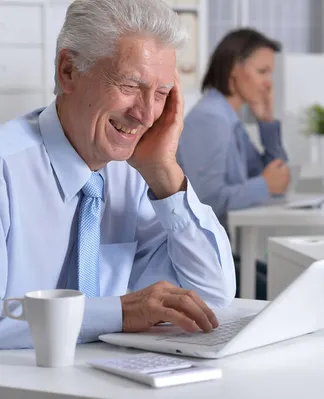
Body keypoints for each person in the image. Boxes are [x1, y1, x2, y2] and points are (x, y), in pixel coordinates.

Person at [0, 0, 236, 350]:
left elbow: (211, 293)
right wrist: (120, 312)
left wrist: (164, 173)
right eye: (130, 86)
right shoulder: (6, 169)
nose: (145, 115)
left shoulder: (136, 174)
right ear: (68, 71)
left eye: (161, 94)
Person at [177, 28, 290, 228]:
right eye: (262, 72)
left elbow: (275, 175)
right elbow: (206, 200)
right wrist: (265, 185)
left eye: (270, 74)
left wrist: (266, 122)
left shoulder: (228, 118)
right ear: (233, 69)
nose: (268, 84)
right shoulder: (210, 119)